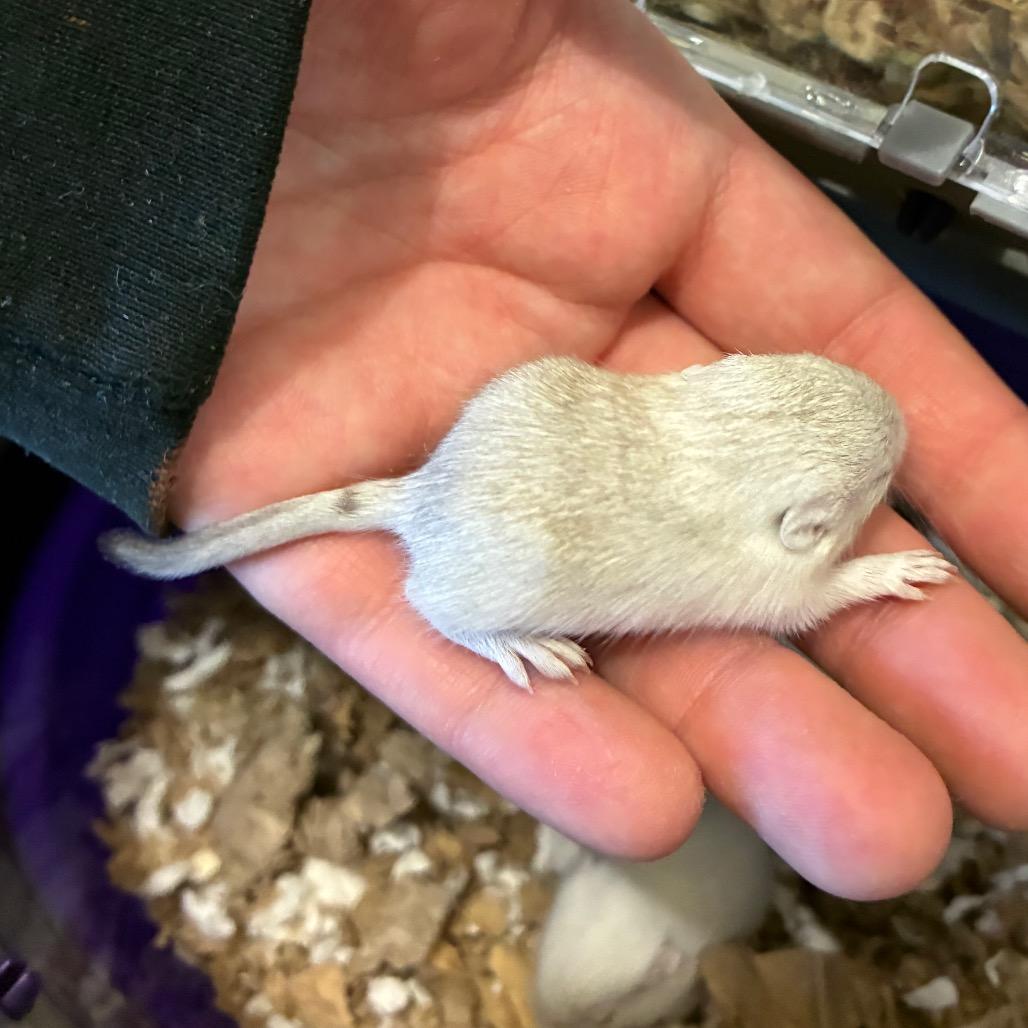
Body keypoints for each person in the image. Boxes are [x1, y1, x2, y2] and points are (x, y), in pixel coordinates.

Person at [4, 0, 1027, 903]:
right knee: (508, 579)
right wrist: (862, 572)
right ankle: (472, 621)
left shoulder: (688, 407)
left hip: (519, 446)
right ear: (798, 524)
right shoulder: (760, 557)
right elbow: (784, 600)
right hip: (484, 542)